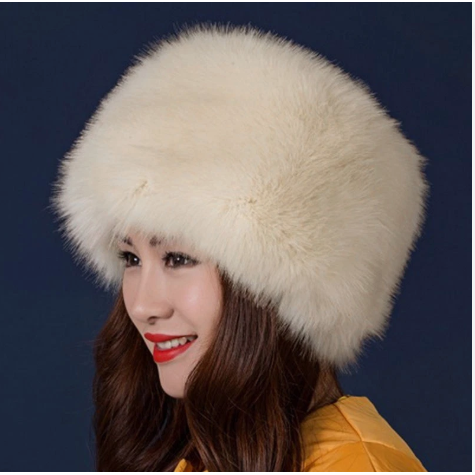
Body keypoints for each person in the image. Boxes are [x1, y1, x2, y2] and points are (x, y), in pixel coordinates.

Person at [49, 22, 429, 471]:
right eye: (130, 258)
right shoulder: (212, 454)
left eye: (178, 258)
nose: (143, 306)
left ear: (289, 279)